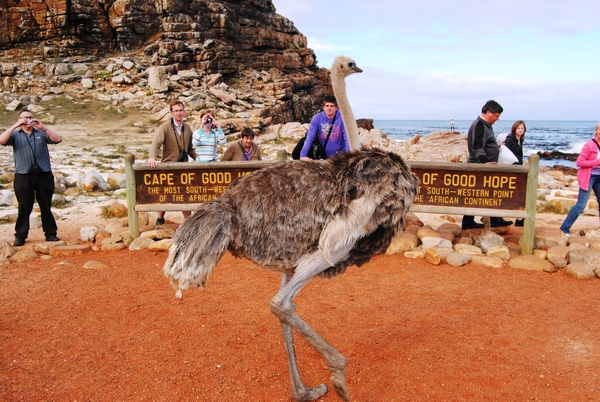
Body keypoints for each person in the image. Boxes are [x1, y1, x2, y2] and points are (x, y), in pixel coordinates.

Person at [0, 110, 62, 246]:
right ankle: (20, 236)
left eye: (30, 117)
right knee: (24, 206)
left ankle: (51, 234)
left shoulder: (41, 133)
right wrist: (15, 125)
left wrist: (43, 127)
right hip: (23, 175)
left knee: (45, 205)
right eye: (25, 118)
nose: (28, 120)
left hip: (43, 174)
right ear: (20, 119)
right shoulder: (15, 134)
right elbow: (2, 140)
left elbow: (57, 139)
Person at [462, 100, 513, 230]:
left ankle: (482, 219)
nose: (498, 118)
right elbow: (477, 146)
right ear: (488, 112)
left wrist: (495, 145)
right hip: (479, 166)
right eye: (496, 115)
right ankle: (487, 219)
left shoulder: (485, 125)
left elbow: (484, 143)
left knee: (484, 193)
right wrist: (485, 162)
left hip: (482, 165)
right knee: (480, 193)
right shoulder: (480, 125)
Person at [148, 101, 197, 225]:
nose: (179, 113)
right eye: (176, 110)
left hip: (183, 166)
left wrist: (200, 159)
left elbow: (190, 149)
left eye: (180, 110)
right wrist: (152, 157)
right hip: (168, 165)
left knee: (183, 194)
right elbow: (156, 143)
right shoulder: (164, 127)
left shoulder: (187, 128)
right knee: (166, 193)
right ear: (171, 113)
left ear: (184, 111)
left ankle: (188, 221)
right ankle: (160, 218)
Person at [559, 122, 600, 236]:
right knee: (581, 205)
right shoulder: (589, 145)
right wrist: (596, 162)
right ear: (596, 131)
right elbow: (579, 162)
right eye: (599, 130)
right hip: (589, 176)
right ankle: (564, 228)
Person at [300, 95, 350, 160]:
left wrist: (348, 155)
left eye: (332, 106)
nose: (329, 108)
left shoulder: (343, 118)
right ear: (323, 107)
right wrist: (303, 155)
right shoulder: (317, 118)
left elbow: (347, 137)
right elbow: (310, 137)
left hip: (340, 156)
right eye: (327, 106)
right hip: (324, 155)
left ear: (336, 107)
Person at [505, 120, 526, 226]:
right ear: (514, 129)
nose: (520, 130)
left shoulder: (520, 140)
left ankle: (519, 219)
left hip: (519, 169)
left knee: (520, 194)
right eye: (518, 128)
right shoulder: (510, 140)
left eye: (522, 128)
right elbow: (505, 154)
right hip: (512, 170)